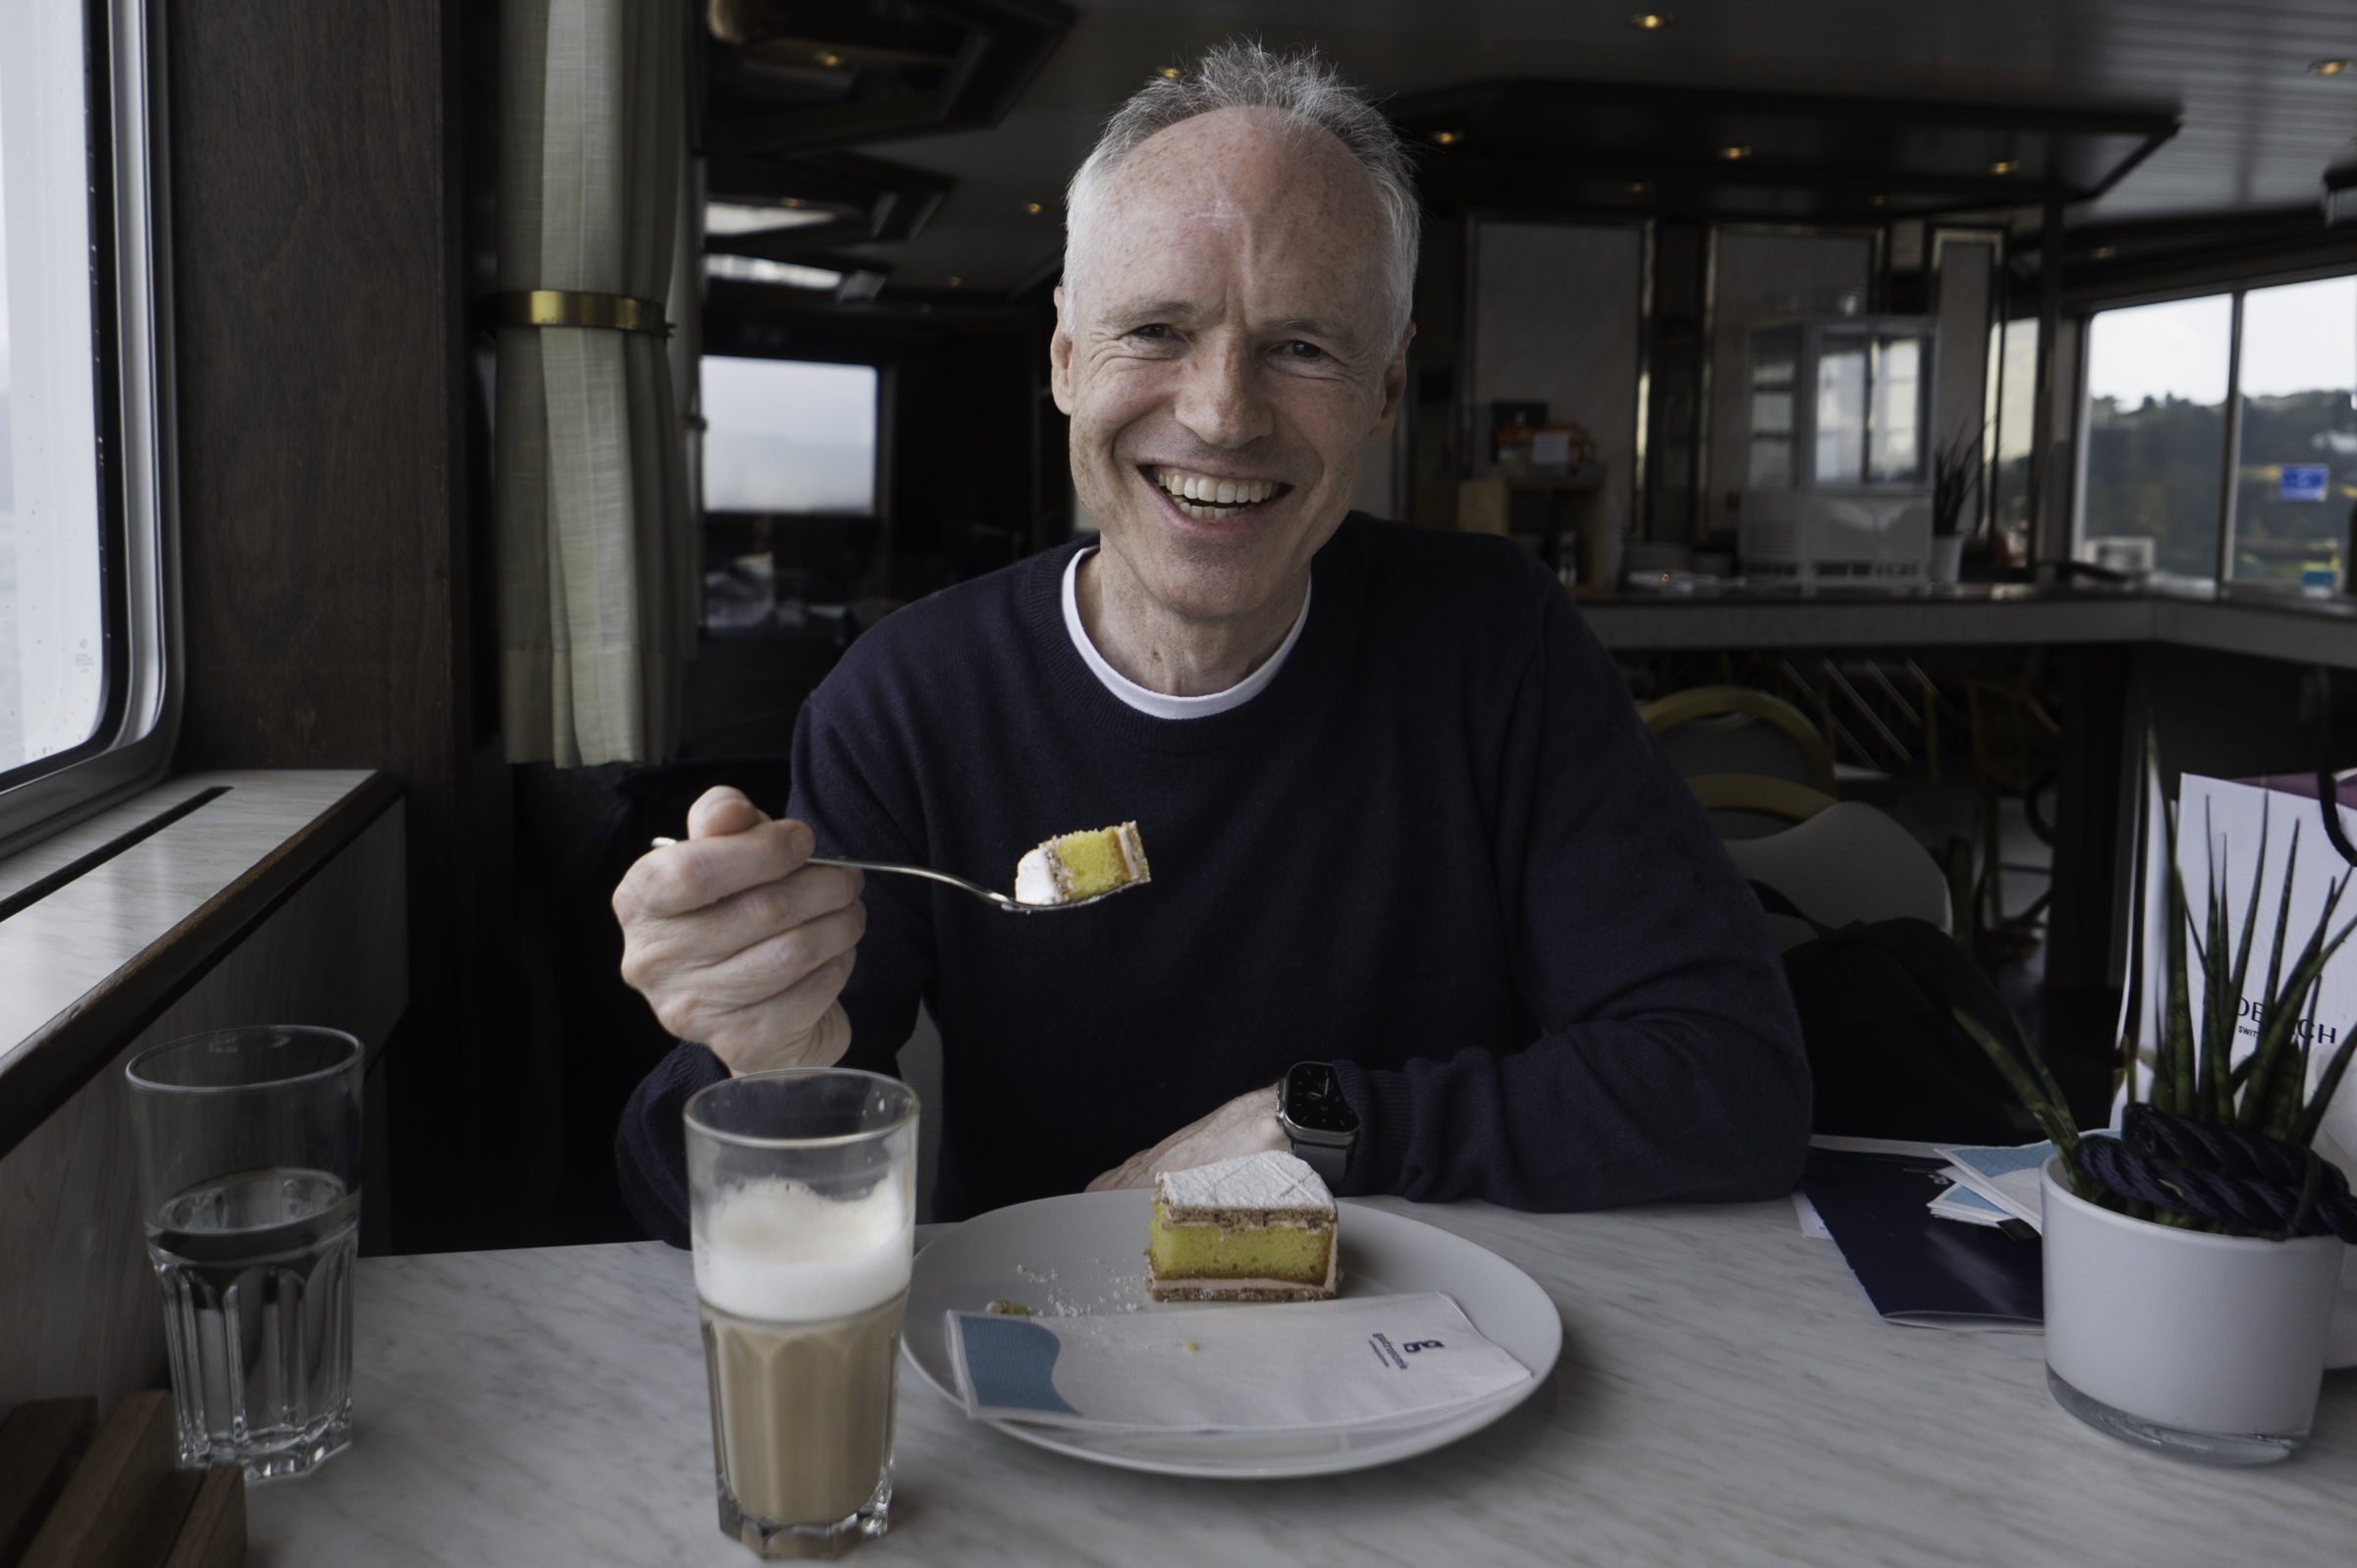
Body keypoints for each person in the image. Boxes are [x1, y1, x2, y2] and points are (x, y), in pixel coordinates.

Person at [612, 41, 1809, 1238]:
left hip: (1430, 1348)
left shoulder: (1492, 642)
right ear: (1068, 361)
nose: (1223, 413)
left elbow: (1733, 1077)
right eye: (1157, 331)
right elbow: (690, 1202)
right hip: (1055, 1361)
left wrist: (1318, 1127)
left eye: (1301, 347)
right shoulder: (911, 699)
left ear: (1384, 392)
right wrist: (753, 1064)